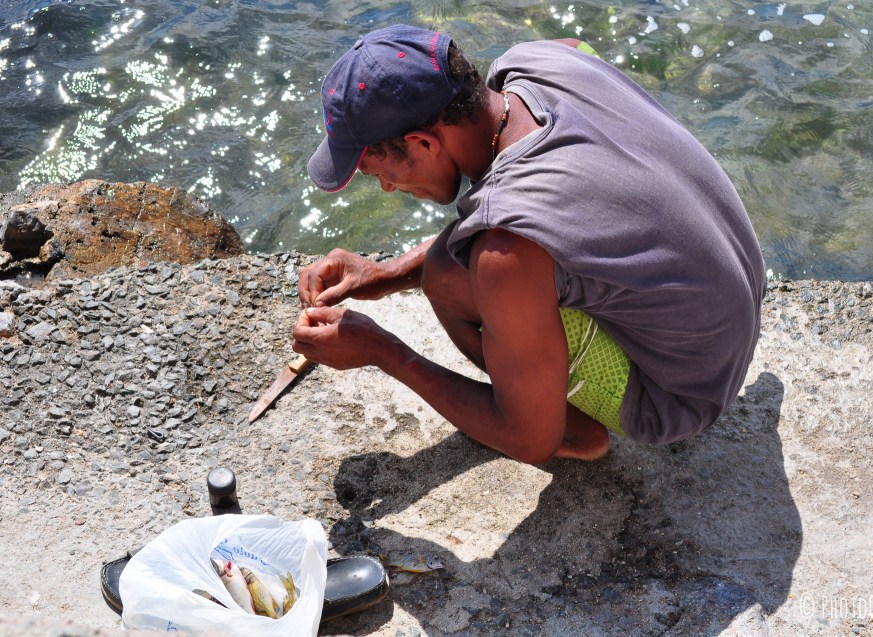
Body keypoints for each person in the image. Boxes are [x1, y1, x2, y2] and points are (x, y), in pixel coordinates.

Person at [292, 24, 766, 464]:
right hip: (738, 292)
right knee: (461, 261)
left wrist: (385, 352)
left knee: (452, 277)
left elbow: (528, 442)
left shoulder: (507, 246)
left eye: (380, 172)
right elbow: (566, 203)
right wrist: (384, 273)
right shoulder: (541, 60)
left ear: (424, 143)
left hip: (679, 394)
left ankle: (575, 430)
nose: (388, 189)